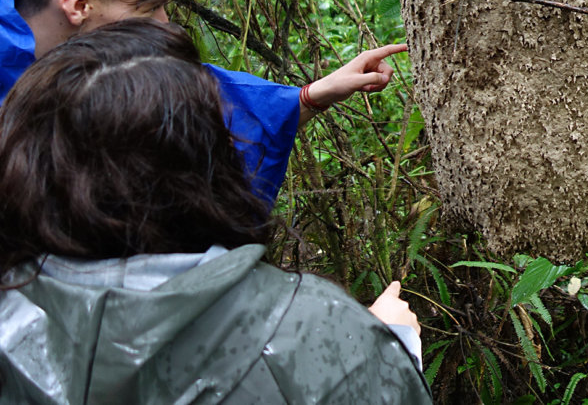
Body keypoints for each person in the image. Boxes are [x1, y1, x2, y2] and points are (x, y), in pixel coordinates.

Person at [0, 20, 431, 404]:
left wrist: (309, 96)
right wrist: (383, 344)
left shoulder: (13, 309)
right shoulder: (310, 327)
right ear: (207, 160)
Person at [0, 0, 407, 204]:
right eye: (149, 7)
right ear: (78, 5)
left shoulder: (115, 65)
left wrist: (314, 95)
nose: (164, 23)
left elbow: (210, 100)